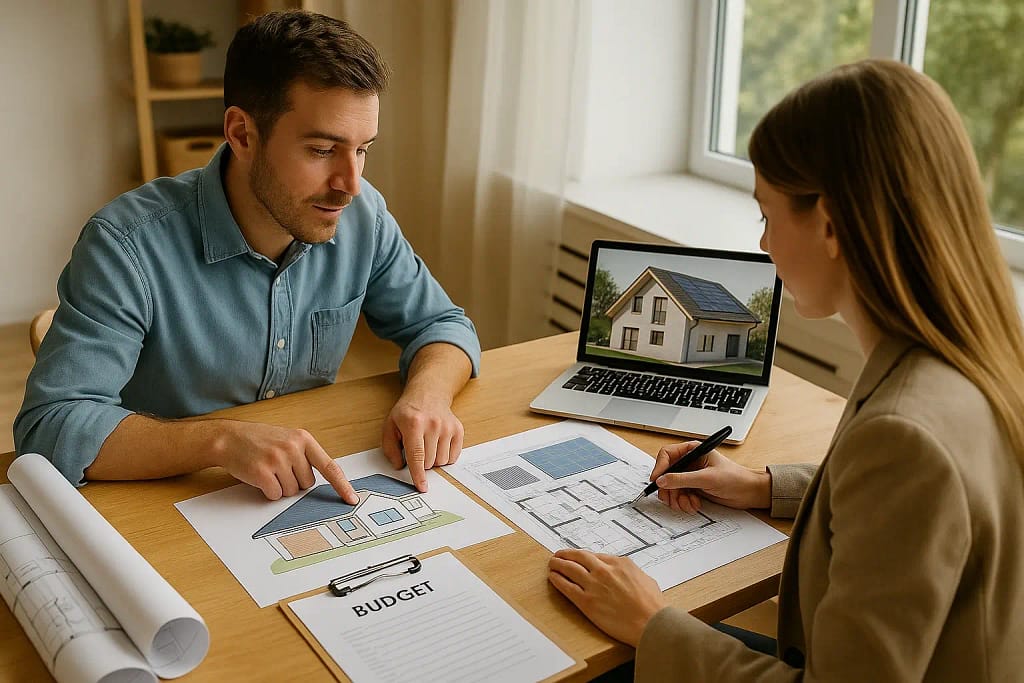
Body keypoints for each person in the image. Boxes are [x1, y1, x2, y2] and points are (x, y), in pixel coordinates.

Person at [548, 59, 1024, 680]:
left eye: (767, 215)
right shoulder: (975, 360)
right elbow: (912, 506)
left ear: (829, 224)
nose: (765, 245)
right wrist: (764, 486)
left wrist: (650, 621)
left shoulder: (905, 434)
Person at [14, 11, 481, 504]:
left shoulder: (364, 217)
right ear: (241, 134)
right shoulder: (125, 244)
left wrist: (426, 396)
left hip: (299, 493)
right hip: (166, 503)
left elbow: (443, 326)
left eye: (362, 149)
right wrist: (220, 440)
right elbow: (49, 428)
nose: (350, 184)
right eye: (322, 149)